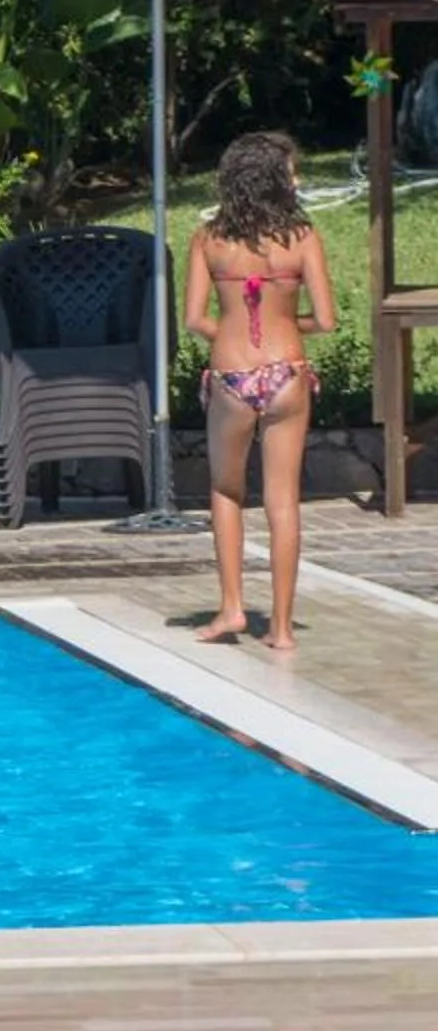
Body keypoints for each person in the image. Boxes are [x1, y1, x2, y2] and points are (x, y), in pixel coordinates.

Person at [183, 131, 334, 650]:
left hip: (231, 375)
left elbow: (195, 319)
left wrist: (234, 329)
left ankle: (231, 610)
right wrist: (290, 324)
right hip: (287, 372)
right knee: (283, 500)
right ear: (274, 179)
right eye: (292, 171)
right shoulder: (304, 238)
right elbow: (328, 319)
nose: (298, 179)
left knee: (227, 491)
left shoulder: (208, 239)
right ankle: (284, 629)